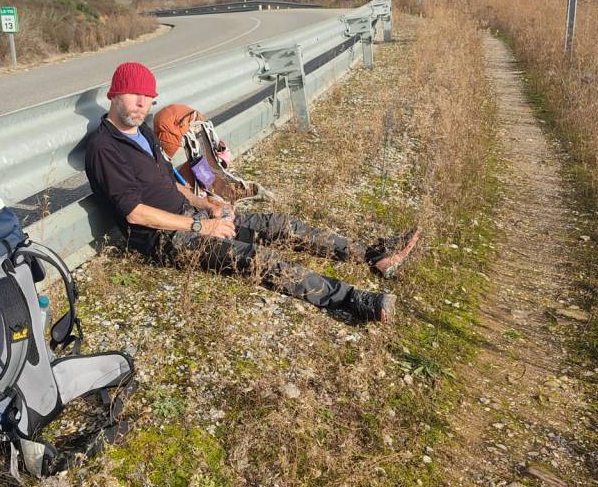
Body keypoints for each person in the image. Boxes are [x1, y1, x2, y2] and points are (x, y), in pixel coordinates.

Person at [84, 62, 420, 323]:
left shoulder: (142, 133)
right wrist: (202, 226)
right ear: (115, 94)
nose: (142, 103)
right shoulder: (104, 148)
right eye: (134, 94)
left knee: (281, 225)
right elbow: (135, 213)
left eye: (148, 97)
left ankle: (374, 255)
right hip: (165, 238)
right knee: (259, 259)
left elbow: (167, 183)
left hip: (194, 216)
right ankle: (351, 300)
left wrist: (207, 204)